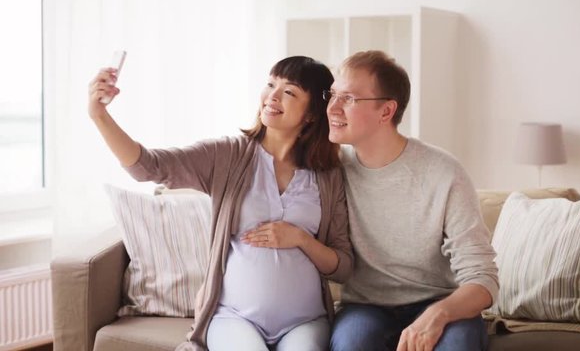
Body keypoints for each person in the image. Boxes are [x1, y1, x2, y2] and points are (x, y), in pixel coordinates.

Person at [88, 56, 353, 351]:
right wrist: (99, 115)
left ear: (312, 114)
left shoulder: (328, 176)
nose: (272, 96)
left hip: (304, 322)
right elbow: (148, 167)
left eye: (289, 91)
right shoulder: (228, 156)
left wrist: (301, 239)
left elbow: (342, 266)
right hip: (235, 319)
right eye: (270, 84)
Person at [325, 50, 499, 351]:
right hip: (365, 308)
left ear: (386, 111)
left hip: (441, 302)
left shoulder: (443, 173)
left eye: (349, 98)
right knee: (350, 345)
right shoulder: (331, 171)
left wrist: (438, 313)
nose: (333, 108)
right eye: (333, 95)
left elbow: (483, 280)